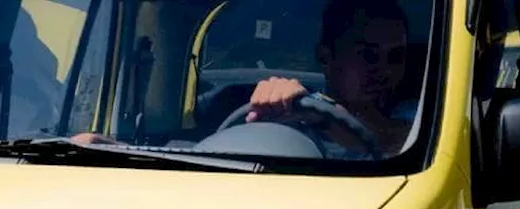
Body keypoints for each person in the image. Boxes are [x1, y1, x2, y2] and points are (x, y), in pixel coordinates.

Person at [73, 0, 413, 159]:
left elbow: (404, 151)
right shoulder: (283, 112)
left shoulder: (421, 120)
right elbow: (194, 155)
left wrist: (322, 117)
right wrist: (116, 150)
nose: (383, 70)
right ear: (326, 56)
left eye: (395, 57)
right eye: (368, 55)